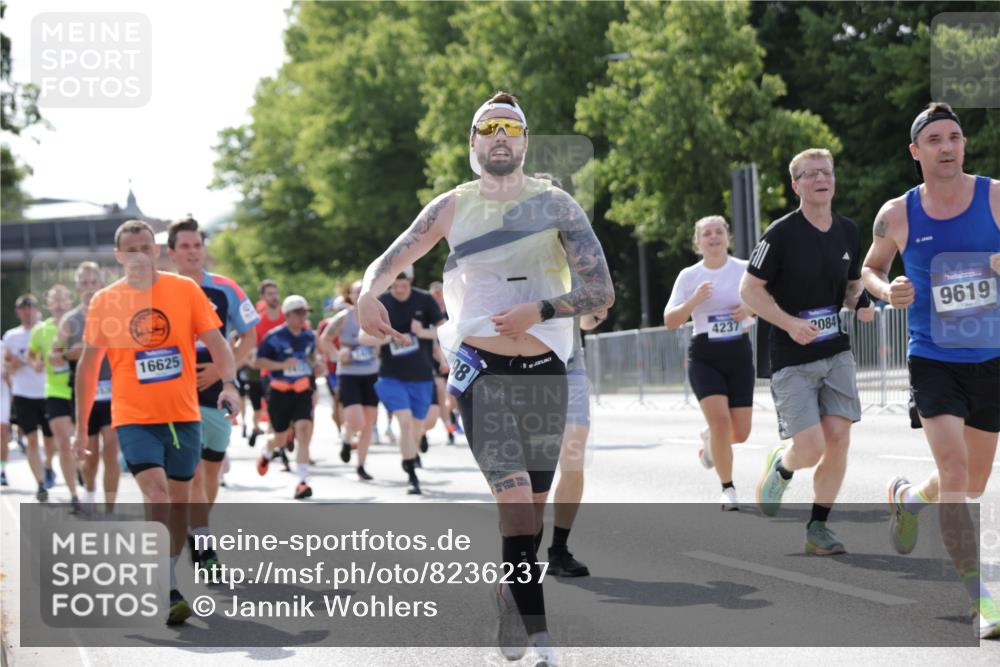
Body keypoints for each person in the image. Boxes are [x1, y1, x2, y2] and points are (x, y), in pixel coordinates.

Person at [357, 91, 614, 666]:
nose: (500, 136)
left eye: (511, 129)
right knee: (517, 503)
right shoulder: (450, 206)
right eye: (489, 128)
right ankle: (540, 635)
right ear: (473, 143)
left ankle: (509, 589)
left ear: (524, 142)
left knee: (535, 506)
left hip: (546, 367)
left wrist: (541, 311)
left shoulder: (557, 205)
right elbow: (390, 260)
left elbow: (602, 292)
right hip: (482, 371)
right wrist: (367, 296)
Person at [861, 102, 1000, 639]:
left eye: (956, 137)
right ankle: (981, 600)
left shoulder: (993, 195)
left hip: (990, 357)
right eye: (936, 139)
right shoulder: (897, 213)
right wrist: (886, 289)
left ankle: (908, 500)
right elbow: (870, 268)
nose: (948, 147)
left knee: (974, 478)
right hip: (933, 355)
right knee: (958, 473)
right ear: (916, 151)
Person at [73, 219, 241, 626]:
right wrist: (81, 429)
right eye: (130, 250)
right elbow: (89, 365)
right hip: (133, 417)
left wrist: (231, 384)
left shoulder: (184, 290)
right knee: (157, 493)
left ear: (157, 250)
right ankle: (168, 590)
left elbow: (217, 342)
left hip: (184, 414)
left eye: (146, 247)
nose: (139, 255)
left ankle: (169, 567)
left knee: (181, 501)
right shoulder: (106, 302)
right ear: (119, 257)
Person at [740, 147, 875, 554]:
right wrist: (790, 323)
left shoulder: (848, 230)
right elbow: (749, 290)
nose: (822, 179)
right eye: (811, 173)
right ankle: (783, 467)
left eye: (827, 172)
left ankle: (818, 528)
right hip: (791, 357)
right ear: (795, 184)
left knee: (839, 439)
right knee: (811, 447)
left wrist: (862, 301)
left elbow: (851, 284)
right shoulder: (780, 233)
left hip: (836, 351)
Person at [166, 217, 259, 572]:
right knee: (187, 473)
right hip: (175, 393)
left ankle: (199, 532)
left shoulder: (226, 289)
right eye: (185, 247)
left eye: (197, 246)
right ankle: (204, 546)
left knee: (210, 472)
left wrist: (222, 370)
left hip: (217, 391)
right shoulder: (160, 290)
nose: (192, 252)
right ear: (172, 254)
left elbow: (249, 336)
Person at [665, 216, 755, 510]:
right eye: (707, 234)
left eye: (719, 232)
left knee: (739, 433)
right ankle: (728, 489)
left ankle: (710, 441)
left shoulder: (744, 269)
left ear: (728, 237)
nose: (713, 237)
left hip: (739, 353)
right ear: (698, 242)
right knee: (720, 422)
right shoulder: (689, 276)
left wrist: (750, 308)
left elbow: (770, 302)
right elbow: (670, 320)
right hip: (705, 355)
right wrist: (693, 301)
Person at [358, 266, 445, 494]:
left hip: (422, 375)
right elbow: (362, 337)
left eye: (403, 284)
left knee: (418, 426)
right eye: (394, 284)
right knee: (404, 422)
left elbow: (446, 329)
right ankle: (412, 475)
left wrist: (422, 332)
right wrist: (385, 338)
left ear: (411, 280)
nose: (398, 289)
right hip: (392, 376)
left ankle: (411, 456)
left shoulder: (425, 299)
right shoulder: (381, 301)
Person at [57, 262, 120, 513]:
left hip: (114, 392)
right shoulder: (70, 320)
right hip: (86, 394)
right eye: (83, 283)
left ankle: (111, 509)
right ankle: (90, 491)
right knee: (90, 456)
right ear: (77, 287)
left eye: (93, 282)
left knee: (111, 450)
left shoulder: (114, 314)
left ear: (101, 284)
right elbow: (55, 354)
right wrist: (78, 352)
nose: (89, 288)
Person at [254, 295, 321, 499]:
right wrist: (282, 365)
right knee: (281, 438)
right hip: (279, 392)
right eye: (299, 313)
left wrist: (316, 365)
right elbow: (259, 362)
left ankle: (302, 482)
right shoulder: (274, 336)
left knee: (304, 432)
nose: (303, 317)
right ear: (288, 314)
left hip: (302, 390)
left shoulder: (309, 336)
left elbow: (311, 358)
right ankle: (268, 450)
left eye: (305, 313)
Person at [29, 284, 81, 511]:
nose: (59, 304)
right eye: (54, 300)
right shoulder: (40, 331)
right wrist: (36, 363)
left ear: (70, 302)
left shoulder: (79, 323)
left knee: (83, 445)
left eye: (63, 299)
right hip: (55, 391)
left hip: (81, 391)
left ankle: (80, 472)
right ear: (48, 305)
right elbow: (32, 356)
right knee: (63, 443)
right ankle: (73, 494)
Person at [320, 280, 378, 480]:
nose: (360, 295)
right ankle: (346, 438)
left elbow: (386, 337)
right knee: (357, 420)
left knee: (369, 424)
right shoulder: (343, 318)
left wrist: (378, 346)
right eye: (356, 292)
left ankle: (361, 465)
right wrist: (337, 355)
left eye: (364, 291)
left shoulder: (376, 316)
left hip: (371, 373)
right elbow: (324, 339)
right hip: (349, 374)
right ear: (351, 297)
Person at [3, 295, 50, 500]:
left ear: (36, 309)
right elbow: (8, 369)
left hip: (48, 392)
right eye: (23, 309)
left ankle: (48, 465)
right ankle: (40, 483)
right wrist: (18, 362)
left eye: (30, 307)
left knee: (52, 442)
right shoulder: (11, 337)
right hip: (23, 393)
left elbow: (59, 358)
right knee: (31, 440)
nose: (27, 312)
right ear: (18, 312)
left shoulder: (48, 330)